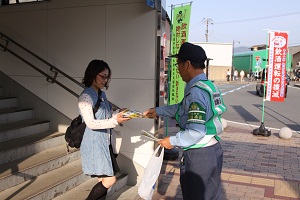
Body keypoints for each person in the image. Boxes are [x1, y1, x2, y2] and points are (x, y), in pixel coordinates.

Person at [143, 42, 227, 200]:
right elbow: (181, 108)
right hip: (214, 149)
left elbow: (195, 132)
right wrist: (158, 111)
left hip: (199, 155)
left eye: (178, 64)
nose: (178, 69)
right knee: (212, 195)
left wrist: (172, 141)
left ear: (187, 64)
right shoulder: (209, 86)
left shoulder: (196, 92)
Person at [78, 59, 131, 200]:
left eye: (107, 77)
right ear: (93, 74)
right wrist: (115, 121)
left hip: (104, 142)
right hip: (94, 144)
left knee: (103, 181)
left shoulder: (101, 94)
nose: (105, 80)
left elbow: (105, 115)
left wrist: (119, 113)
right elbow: (91, 123)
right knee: (110, 180)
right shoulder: (85, 96)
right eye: (102, 76)